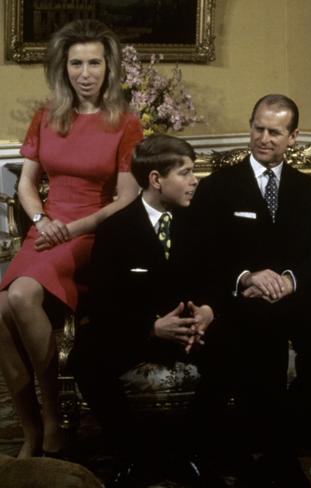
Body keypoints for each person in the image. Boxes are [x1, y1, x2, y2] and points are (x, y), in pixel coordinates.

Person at [190, 94, 311, 487]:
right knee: (259, 333)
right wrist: (247, 276)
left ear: (293, 137)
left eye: (275, 132)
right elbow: (203, 254)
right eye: (258, 128)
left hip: (294, 295)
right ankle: (272, 452)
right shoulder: (217, 187)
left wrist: (289, 280)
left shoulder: (309, 191)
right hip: (240, 298)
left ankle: (288, 427)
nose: (264, 138)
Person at [0, 19, 142, 460]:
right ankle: (31, 428)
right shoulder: (47, 116)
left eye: (94, 63)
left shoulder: (126, 122)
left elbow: (127, 198)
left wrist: (73, 228)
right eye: (76, 63)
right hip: (47, 229)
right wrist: (42, 220)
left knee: (20, 295)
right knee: (0, 310)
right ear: (64, 68)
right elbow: (26, 185)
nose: (85, 73)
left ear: (108, 67)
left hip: (92, 232)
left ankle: (51, 416)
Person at [69, 135, 220, 487]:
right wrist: (151, 327)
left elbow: (217, 278)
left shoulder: (201, 221)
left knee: (238, 348)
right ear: (155, 179)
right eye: (185, 172)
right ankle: (132, 454)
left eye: (193, 171)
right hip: (139, 332)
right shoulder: (115, 229)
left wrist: (209, 312)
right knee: (86, 360)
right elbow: (104, 301)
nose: (194, 179)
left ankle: (192, 453)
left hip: (192, 330)